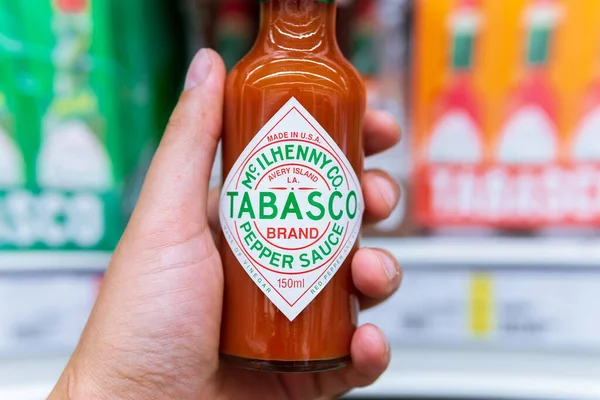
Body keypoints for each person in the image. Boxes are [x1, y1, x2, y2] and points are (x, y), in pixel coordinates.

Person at [48, 49, 403, 400]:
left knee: (371, 206)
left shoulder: (335, 81)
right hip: (217, 359)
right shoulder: (254, 79)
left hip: (317, 351)